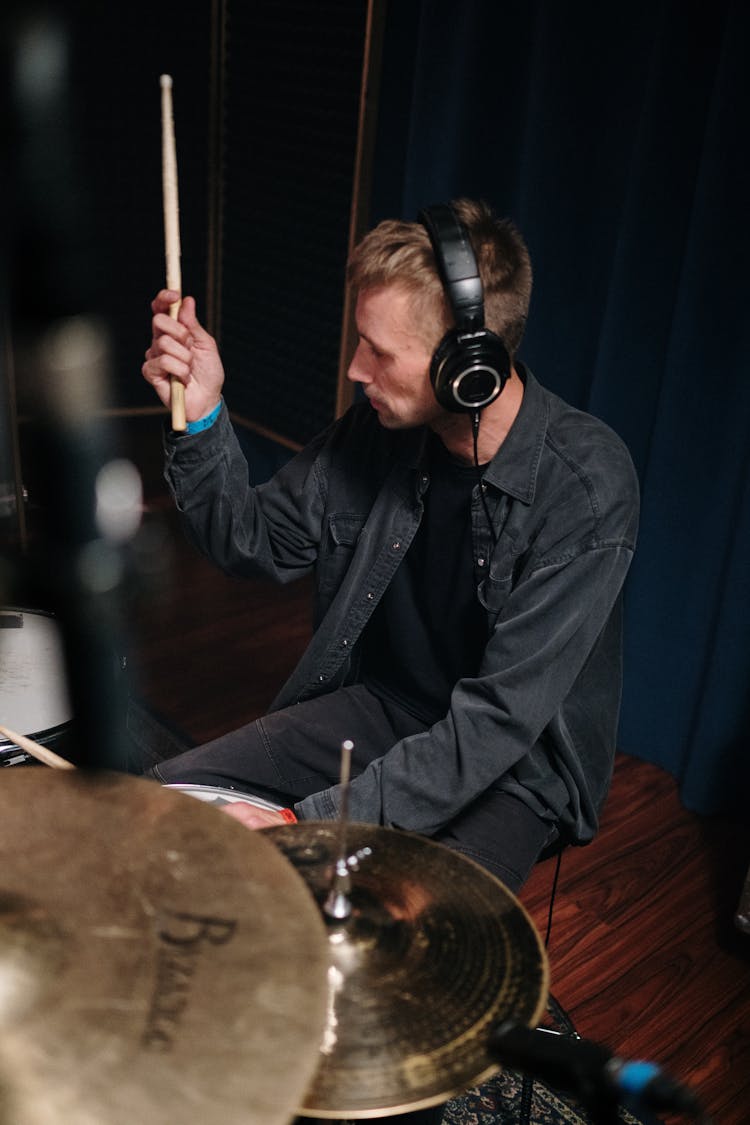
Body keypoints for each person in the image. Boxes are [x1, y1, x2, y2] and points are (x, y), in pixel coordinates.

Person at [141, 198, 639, 897]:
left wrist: (299, 823)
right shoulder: (381, 430)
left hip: (512, 768)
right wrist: (199, 415)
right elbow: (253, 540)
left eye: (379, 350)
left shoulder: (587, 486)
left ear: (468, 368)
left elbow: (495, 723)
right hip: (381, 709)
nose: (354, 368)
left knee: (408, 949)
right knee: (161, 808)